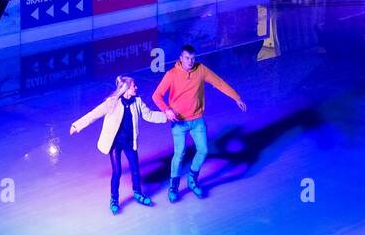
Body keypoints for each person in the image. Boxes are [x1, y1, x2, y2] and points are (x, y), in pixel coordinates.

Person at [152, 44, 246, 201]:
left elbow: (219, 83)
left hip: (197, 120)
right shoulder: (172, 74)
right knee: (179, 154)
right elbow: (157, 95)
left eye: (192, 58)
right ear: (180, 59)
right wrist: (166, 110)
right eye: (187, 58)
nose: (190, 61)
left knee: (203, 150)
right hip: (179, 122)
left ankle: (192, 179)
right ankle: (173, 186)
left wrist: (236, 97)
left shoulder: (201, 70)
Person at [70, 75, 169, 215]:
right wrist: (77, 125)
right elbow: (94, 114)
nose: (136, 87)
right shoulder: (113, 102)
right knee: (117, 171)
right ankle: (114, 199)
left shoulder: (138, 102)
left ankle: (138, 193)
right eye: (134, 86)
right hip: (115, 143)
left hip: (129, 142)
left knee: (135, 168)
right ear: (126, 89)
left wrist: (166, 116)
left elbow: (149, 115)